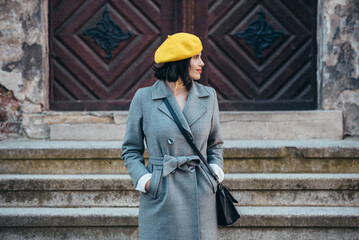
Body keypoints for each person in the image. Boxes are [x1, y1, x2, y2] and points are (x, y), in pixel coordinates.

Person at [121, 32, 224, 240]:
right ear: (180, 61)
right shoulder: (144, 98)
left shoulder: (208, 96)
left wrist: (215, 172)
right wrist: (146, 180)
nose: (201, 63)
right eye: (196, 57)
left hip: (201, 189)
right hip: (162, 191)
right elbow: (131, 149)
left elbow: (215, 145)